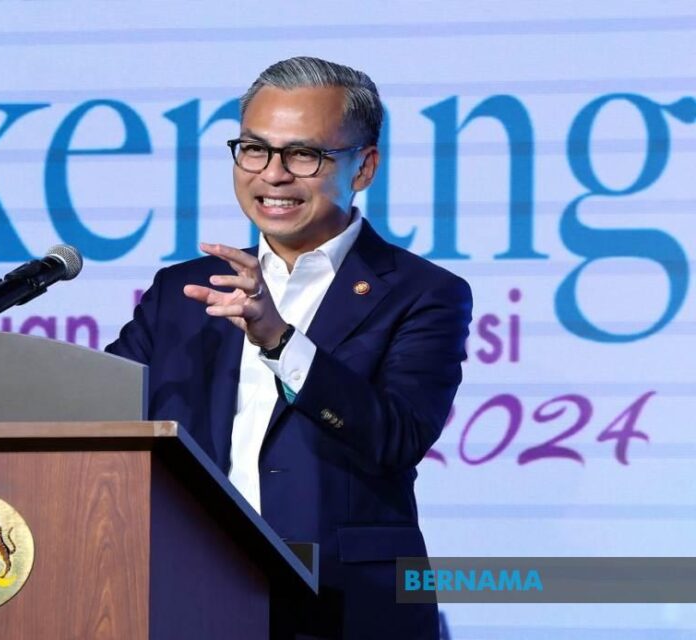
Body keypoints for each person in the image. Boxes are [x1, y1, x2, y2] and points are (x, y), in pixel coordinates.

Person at [106, 56, 471, 640]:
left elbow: (397, 436)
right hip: (188, 597)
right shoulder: (182, 291)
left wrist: (279, 341)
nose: (272, 175)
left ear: (363, 167)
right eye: (254, 149)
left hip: (345, 608)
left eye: (303, 155)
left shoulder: (422, 293)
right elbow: (105, 412)